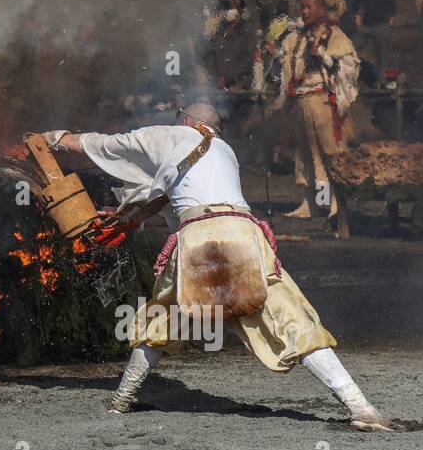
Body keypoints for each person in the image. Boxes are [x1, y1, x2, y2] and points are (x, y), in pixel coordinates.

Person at [35, 102, 394, 431]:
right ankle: (361, 407)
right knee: (293, 318)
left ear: (186, 121)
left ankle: (121, 402)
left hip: (198, 236)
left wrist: (55, 139)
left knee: (160, 319)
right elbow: (175, 189)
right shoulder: (225, 151)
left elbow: (106, 144)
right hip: (243, 232)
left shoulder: (171, 134)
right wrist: (126, 214)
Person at [276, 0, 360, 219]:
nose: (303, 12)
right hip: (300, 102)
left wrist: (322, 55)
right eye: (302, 7)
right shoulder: (295, 37)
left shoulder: (334, 34)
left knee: (330, 153)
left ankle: (336, 204)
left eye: (308, 7)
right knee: (304, 155)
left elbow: (349, 64)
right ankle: (310, 203)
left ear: (321, 9)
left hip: (322, 101)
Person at [350, 0, 398, 73]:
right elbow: (355, 5)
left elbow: (393, 8)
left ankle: (381, 80)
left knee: (382, 57)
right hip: (365, 27)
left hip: (381, 26)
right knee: (350, 48)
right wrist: (357, 18)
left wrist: (389, 24)